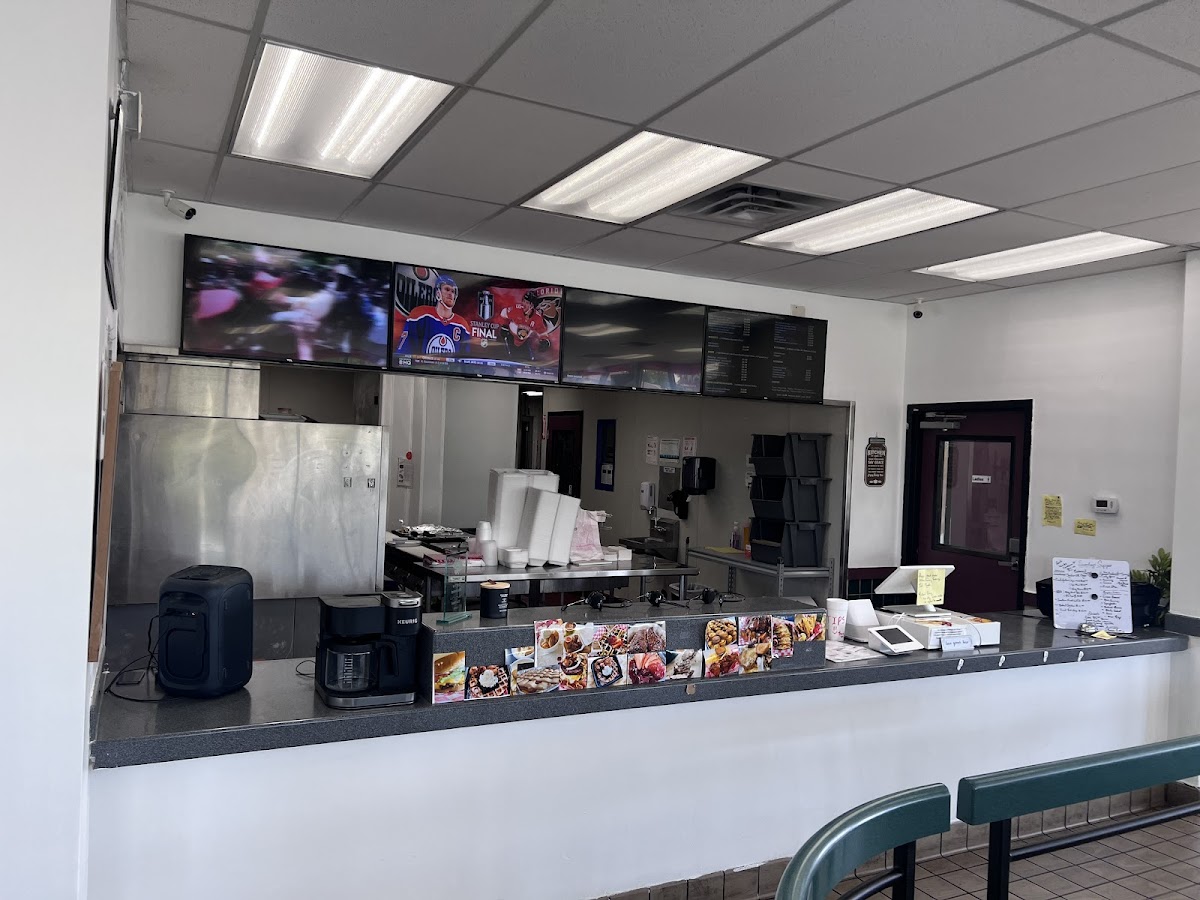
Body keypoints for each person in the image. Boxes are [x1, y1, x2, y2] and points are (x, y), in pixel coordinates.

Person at [397, 275, 472, 356]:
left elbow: (465, 359)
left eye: (453, 291)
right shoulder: (420, 315)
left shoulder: (462, 324)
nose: (450, 293)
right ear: (438, 292)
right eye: (447, 289)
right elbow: (404, 354)